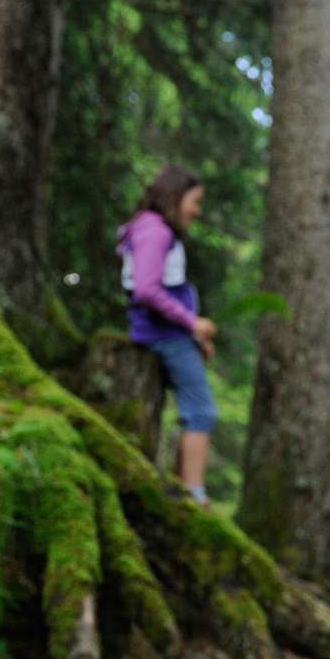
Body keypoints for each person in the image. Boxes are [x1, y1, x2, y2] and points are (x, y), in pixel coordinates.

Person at [118, 166, 220, 504]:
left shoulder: (151, 228)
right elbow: (147, 289)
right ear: (175, 197)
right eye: (195, 201)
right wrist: (191, 323)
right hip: (163, 335)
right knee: (201, 411)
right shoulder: (156, 231)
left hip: (169, 334)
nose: (197, 210)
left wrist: (194, 336)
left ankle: (184, 487)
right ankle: (193, 494)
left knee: (191, 410)